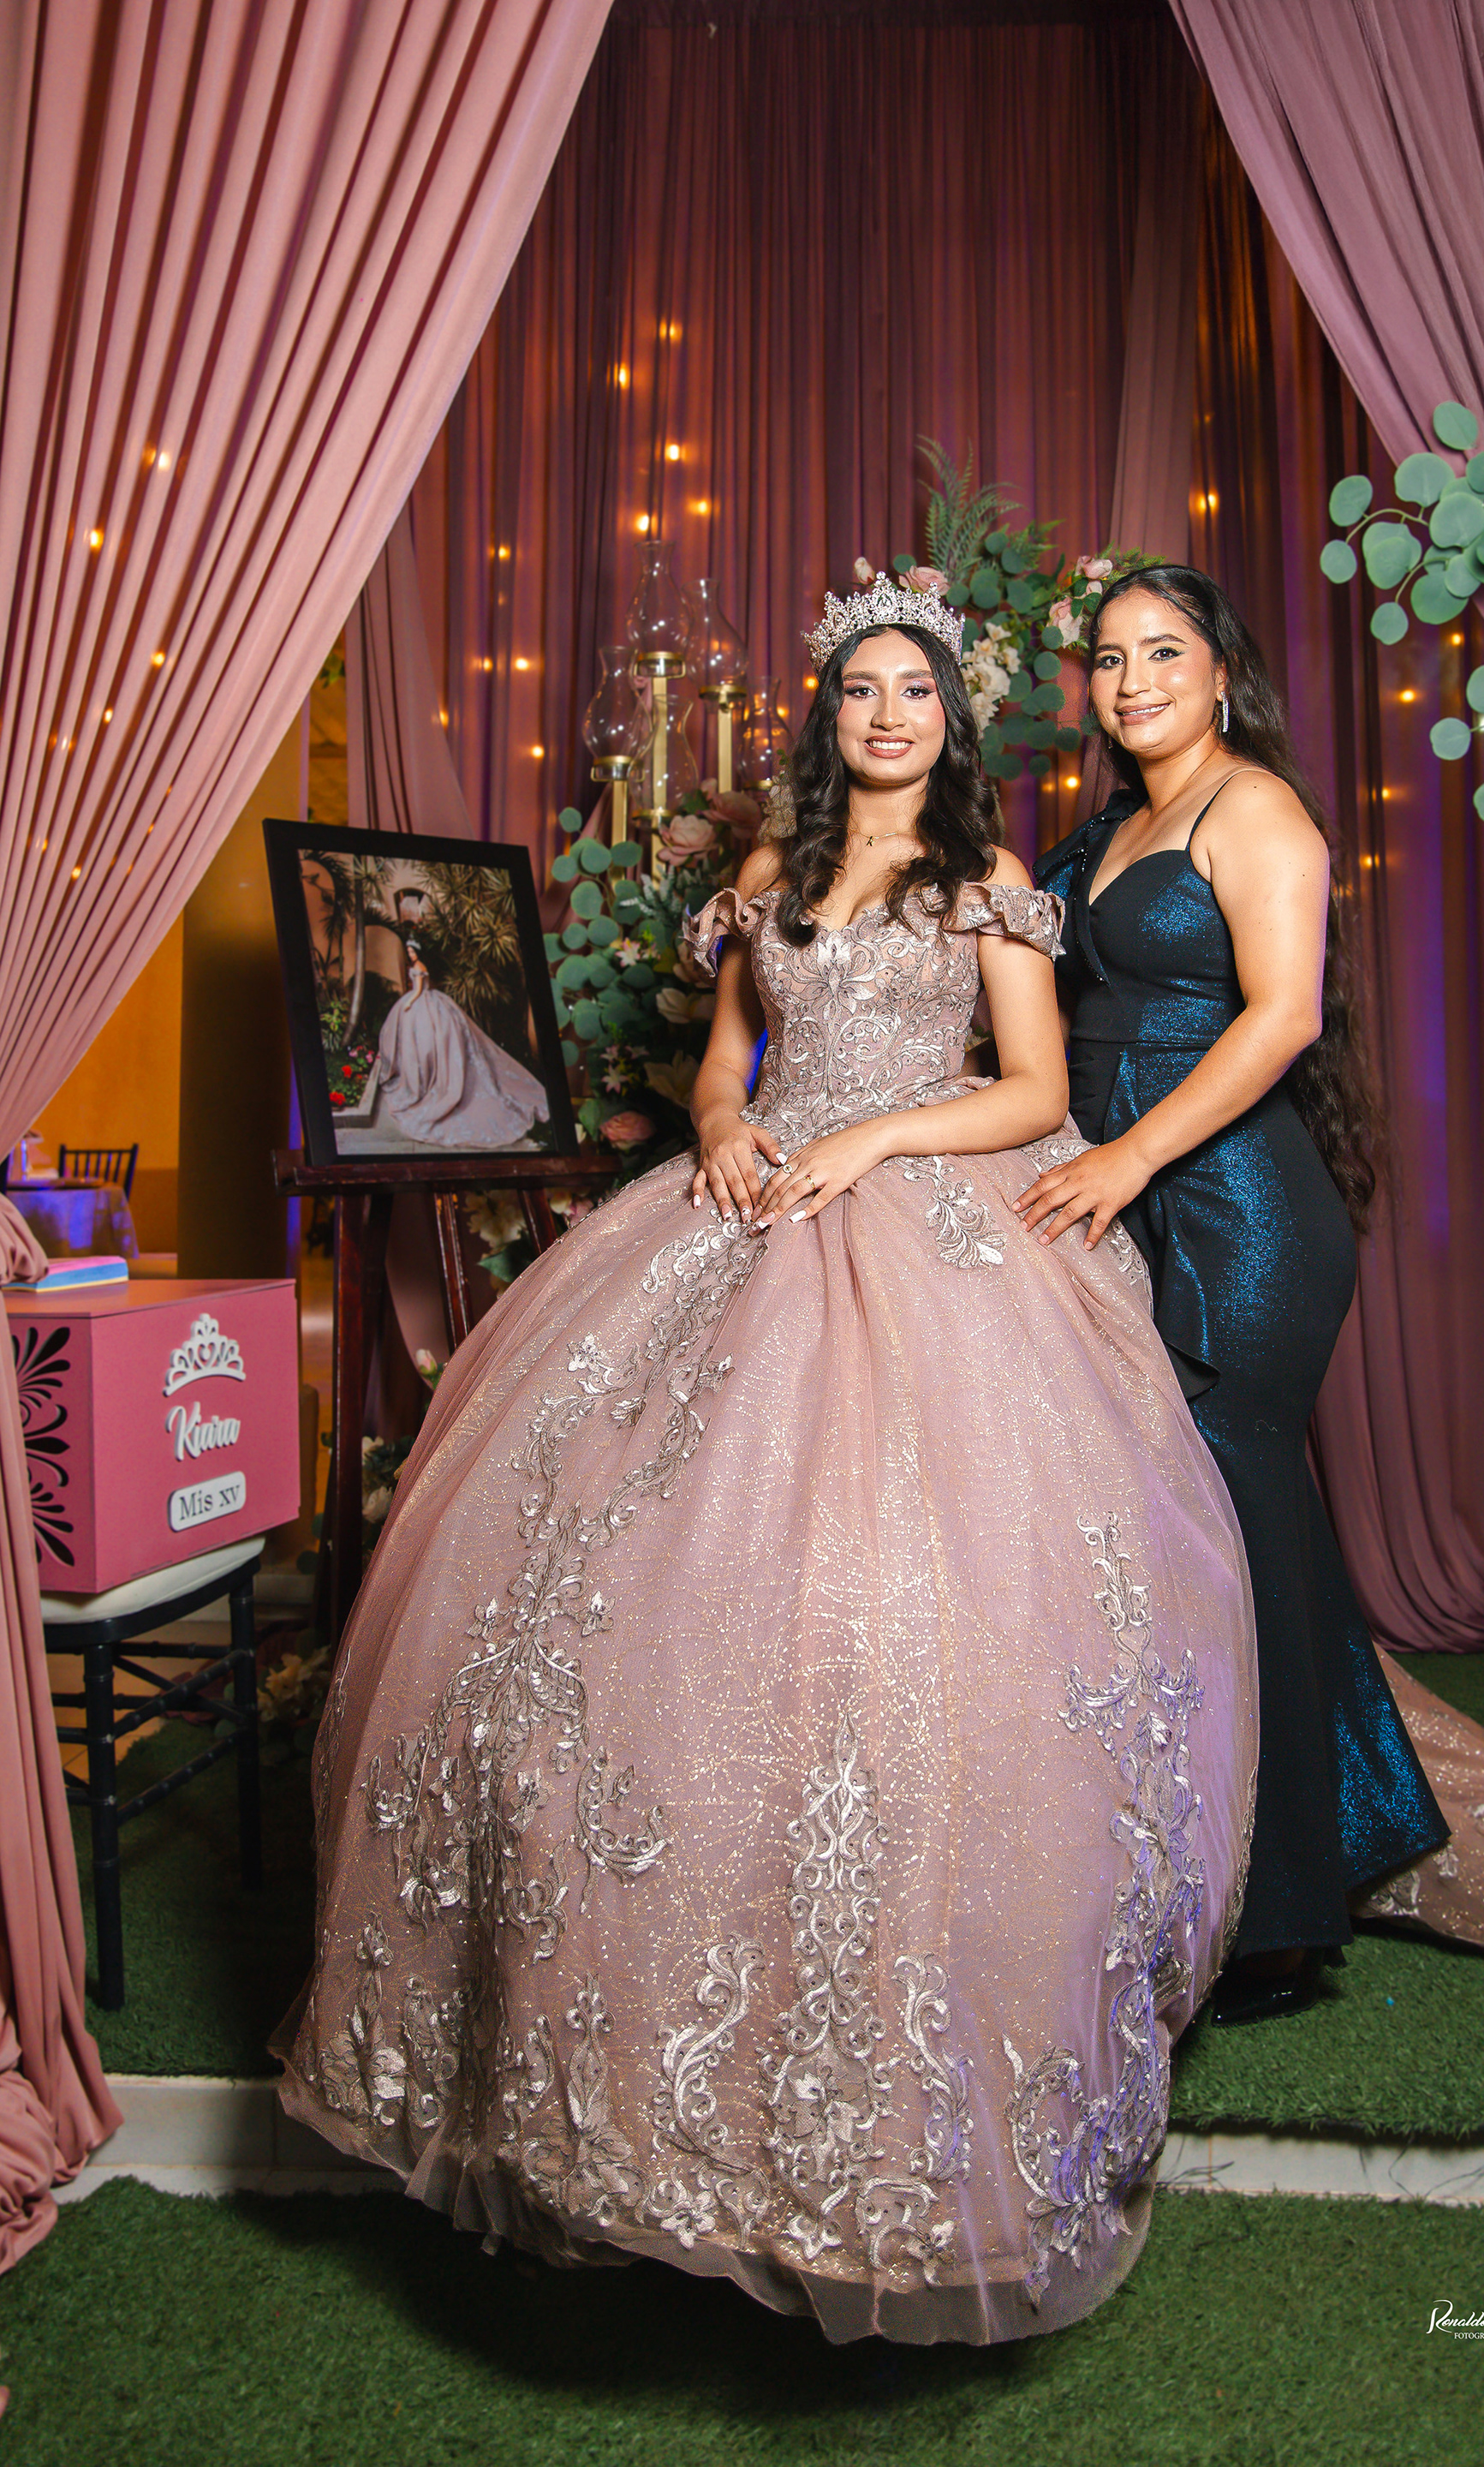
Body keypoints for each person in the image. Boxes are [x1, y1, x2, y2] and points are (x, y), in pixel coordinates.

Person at [275, 571, 1258, 2345]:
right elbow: (727, 1059)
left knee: (898, 1598)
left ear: (954, 717)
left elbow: (1036, 1093)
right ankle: (626, 2101)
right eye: (862, 689)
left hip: (917, 1217)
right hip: (741, 1212)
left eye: (917, 690)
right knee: (617, 1588)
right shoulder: (766, 876)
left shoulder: (988, 879)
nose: (889, 715)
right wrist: (730, 1126)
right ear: (828, 716)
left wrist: (869, 1141)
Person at [1022, 564, 1484, 2017]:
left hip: (1238, 1216)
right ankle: (1298, 1832)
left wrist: (1129, 1158)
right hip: (1116, 1202)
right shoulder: (1104, 832)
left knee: (1239, 1531)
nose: (1132, 681)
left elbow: (1283, 1017)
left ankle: (1285, 1919)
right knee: (1192, 1536)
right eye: (1110, 659)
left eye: (1162, 652)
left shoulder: (1254, 809)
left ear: (1220, 671)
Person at [374, 938, 551, 1148]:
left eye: (413, 952)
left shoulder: (420, 967)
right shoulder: (417, 966)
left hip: (420, 1000)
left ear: (419, 953)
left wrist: (409, 1003)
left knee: (435, 1038)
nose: (411, 955)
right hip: (424, 1002)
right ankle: (422, 1077)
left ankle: (435, 1080)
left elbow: (419, 989)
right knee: (418, 1040)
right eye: (409, 952)